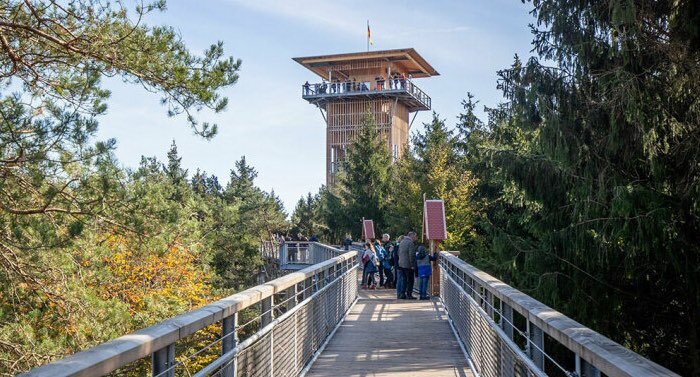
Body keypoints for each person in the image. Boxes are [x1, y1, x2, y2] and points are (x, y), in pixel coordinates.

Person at [397, 231, 417, 299]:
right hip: (408, 265)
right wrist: (412, 265)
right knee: (410, 280)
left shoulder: (402, 242)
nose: (415, 238)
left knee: (404, 280)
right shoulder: (410, 243)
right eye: (415, 236)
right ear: (412, 236)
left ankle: (402, 294)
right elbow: (411, 255)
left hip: (401, 264)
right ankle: (409, 295)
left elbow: (398, 253)